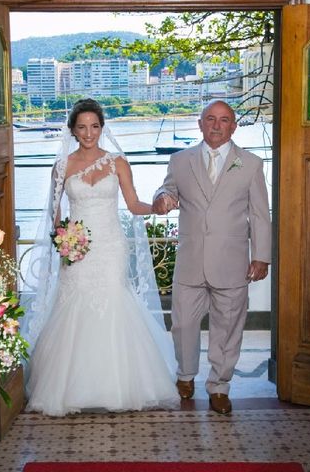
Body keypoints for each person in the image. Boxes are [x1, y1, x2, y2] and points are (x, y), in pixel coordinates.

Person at [23, 98, 180, 416]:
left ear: (102, 127)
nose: (89, 133)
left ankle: (118, 386)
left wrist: (158, 207)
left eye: (94, 126)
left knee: (112, 303)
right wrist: (65, 241)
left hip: (110, 246)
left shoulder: (117, 162)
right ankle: (72, 388)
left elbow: (134, 204)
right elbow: (54, 217)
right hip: (77, 251)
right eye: (82, 127)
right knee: (75, 306)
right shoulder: (62, 166)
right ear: (72, 130)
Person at [153, 100, 271, 414]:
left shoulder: (251, 164)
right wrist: (163, 198)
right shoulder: (180, 160)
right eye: (210, 119)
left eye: (224, 120)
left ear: (233, 126)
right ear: (200, 123)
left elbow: (260, 215)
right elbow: (167, 190)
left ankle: (219, 386)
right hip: (190, 261)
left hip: (232, 262)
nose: (216, 125)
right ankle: (185, 375)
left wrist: (261, 256)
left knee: (228, 327)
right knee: (183, 325)